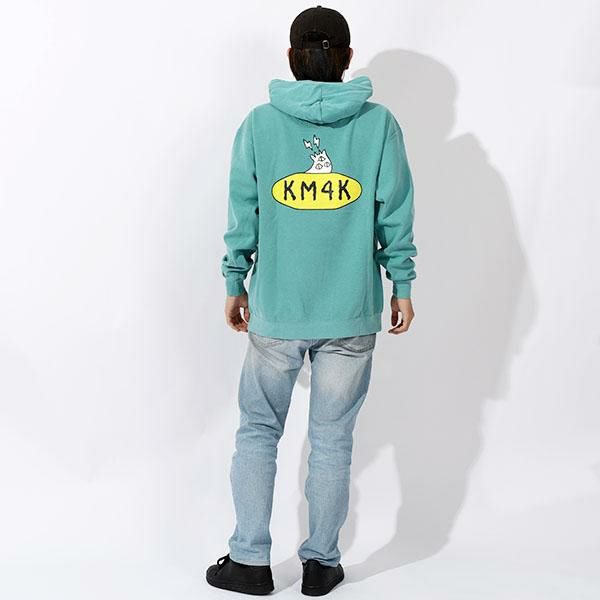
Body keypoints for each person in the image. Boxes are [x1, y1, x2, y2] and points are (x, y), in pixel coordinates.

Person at [206, 5, 417, 596]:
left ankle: (249, 561)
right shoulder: (378, 125)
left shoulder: (259, 125)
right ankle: (322, 564)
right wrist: (401, 285)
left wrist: (234, 281)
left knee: (257, 430)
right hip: (351, 310)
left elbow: (243, 212)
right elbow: (396, 212)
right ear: (348, 58)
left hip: (276, 309)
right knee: (333, 439)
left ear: (291, 57)